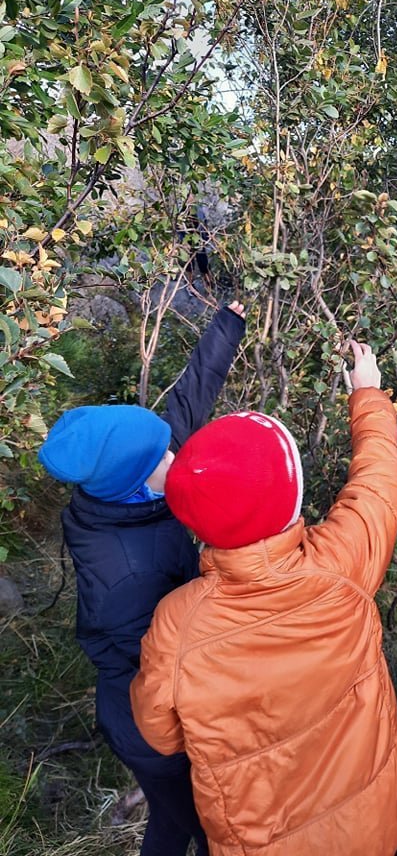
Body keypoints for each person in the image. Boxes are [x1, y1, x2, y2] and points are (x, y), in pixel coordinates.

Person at [130, 341, 397, 856]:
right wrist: (368, 394)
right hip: (369, 824)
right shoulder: (339, 568)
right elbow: (380, 486)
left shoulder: (177, 623)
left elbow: (161, 735)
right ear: (291, 501)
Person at [38, 301, 246, 856]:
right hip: (145, 721)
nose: (177, 456)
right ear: (136, 483)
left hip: (157, 704)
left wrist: (227, 324)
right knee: (202, 825)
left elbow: (186, 402)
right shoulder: (127, 575)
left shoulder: (129, 479)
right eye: (165, 458)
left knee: (176, 821)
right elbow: (158, 664)